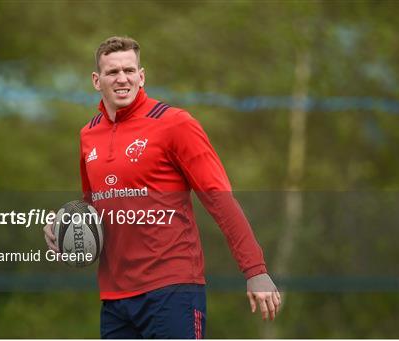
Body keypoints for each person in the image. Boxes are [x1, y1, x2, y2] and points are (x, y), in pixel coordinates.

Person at [44, 36, 281, 339]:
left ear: (142, 76)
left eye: (129, 71)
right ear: (96, 80)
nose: (122, 79)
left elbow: (220, 200)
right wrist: (64, 229)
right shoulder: (88, 134)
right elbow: (94, 208)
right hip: (115, 298)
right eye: (112, 72)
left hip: (173, 290)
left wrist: (255, 270)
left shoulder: (175, 124)